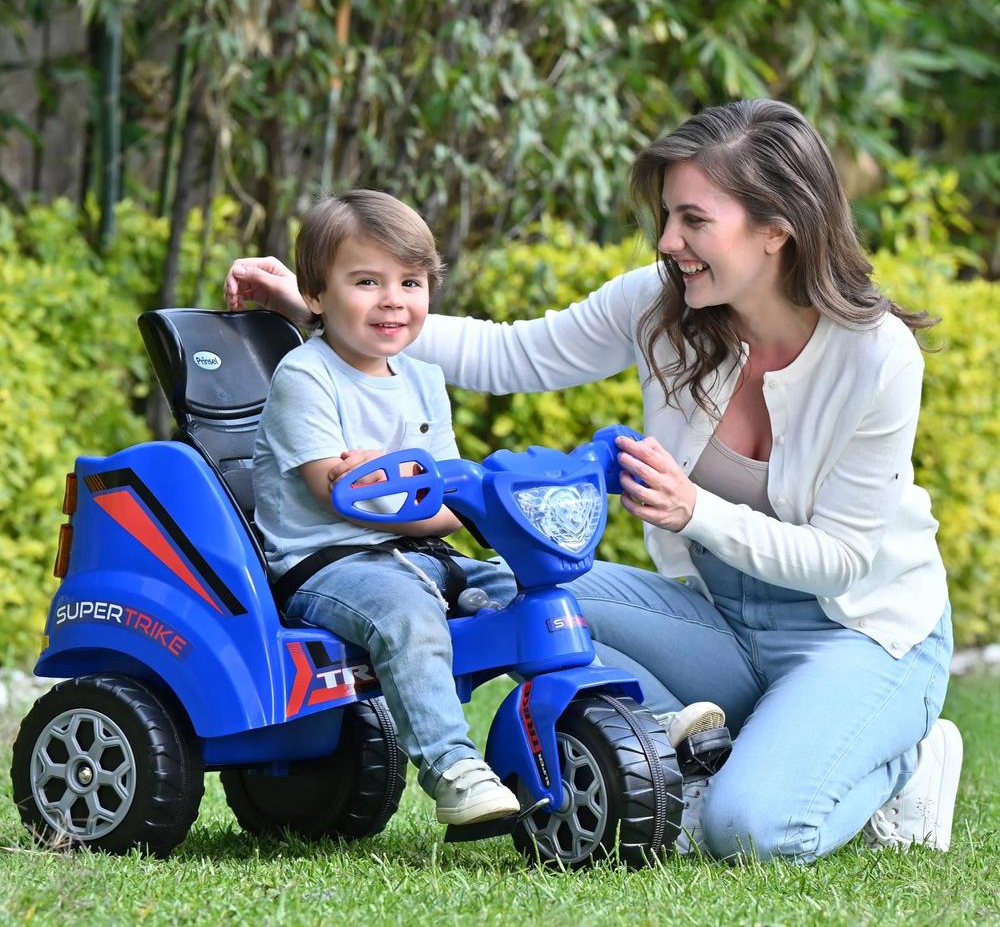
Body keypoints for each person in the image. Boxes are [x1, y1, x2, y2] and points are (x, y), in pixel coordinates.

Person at [226, 99, 961, 862]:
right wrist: (329, 309)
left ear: (777, 229)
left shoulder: (874, 357)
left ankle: (906, 765)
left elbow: (843, 559)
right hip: (722, 619)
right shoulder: (660, 303)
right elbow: (510, 356)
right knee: (506, 596)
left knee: (749, 831)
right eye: (668, 217)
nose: (669, 241)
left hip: (855, 629)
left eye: (693, 220)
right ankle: (726, 745)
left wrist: (693, 510)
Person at [253, 189, 528, 825]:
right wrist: (419, 497)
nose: (393, 300)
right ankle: (453, 769)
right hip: (328, 564)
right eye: (367, 281)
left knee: (535, 591)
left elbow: (442, 495)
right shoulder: (306, 375)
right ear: (316, 296)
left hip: (420, 554)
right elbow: (343, 498)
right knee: (407, 615)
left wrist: (411, 490)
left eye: (411, 281)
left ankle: (632, 713)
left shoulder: (425, 378)